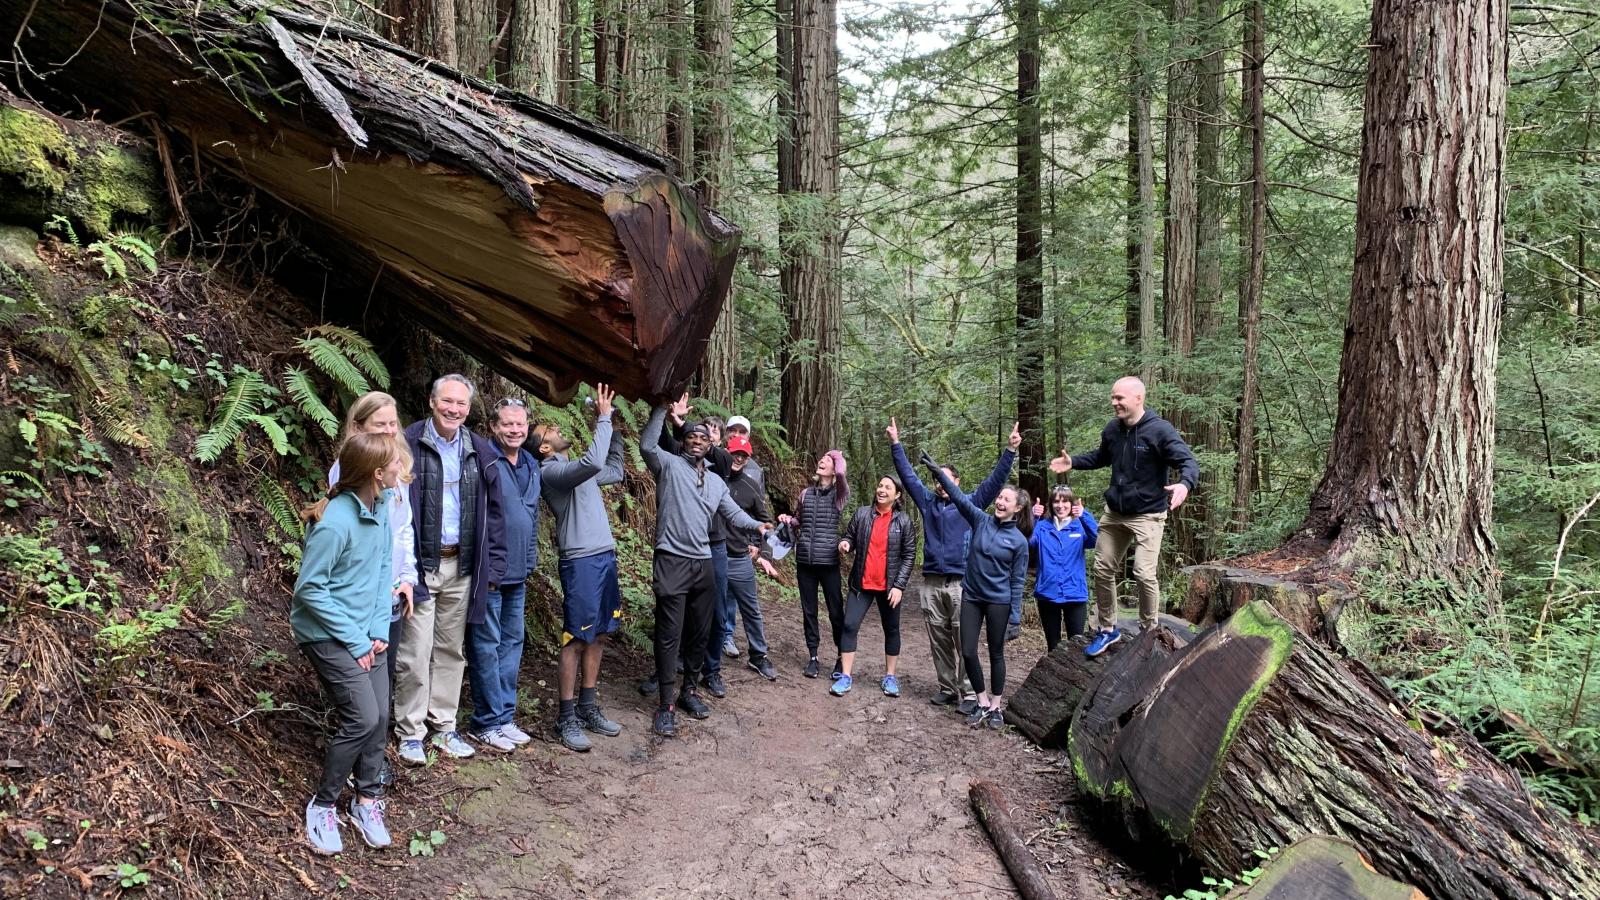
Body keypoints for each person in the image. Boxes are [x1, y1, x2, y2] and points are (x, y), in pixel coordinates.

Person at [294, 433, 405, 854]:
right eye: (395, 464)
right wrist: (357, 641)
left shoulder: (381, 509)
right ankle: (323, 806)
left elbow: (381, 576)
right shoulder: (336, 521)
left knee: (379, 719)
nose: (401, 469)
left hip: (364, 632)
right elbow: (310, 591)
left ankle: (367, 800)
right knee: (361, 718)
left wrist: (377, 632)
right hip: (325, 634)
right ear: (377, 473)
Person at [395, 374, 506, 765]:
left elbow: (494, 515)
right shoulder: (407, 443)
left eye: (461, 404)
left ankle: (443, 726)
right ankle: (410, 732)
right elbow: (396, 510)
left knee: (450, 650)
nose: (453, 409)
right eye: (447, 401)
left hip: (462, 565)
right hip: (421, 564)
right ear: (431, 401)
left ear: (469, 409)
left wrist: (492, 566)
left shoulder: (479, 450)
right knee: (414, 650)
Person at [640, 405, 769, 737]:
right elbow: (646, 446)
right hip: (671, 559)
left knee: (700, 631)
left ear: (711, 446)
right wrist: (659, 408)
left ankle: (689, 692)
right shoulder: (668, 466)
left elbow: (733, 515)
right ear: (683, 442)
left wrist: (760, 527)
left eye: (702, 437)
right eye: (691, 436)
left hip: (704, 563)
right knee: (670, 633)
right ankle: (666, 703)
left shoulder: (715, 482)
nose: (696, 440)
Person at [1050, 376, 1198, 657]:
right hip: (1115, 514)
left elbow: (1188, 462)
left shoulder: (1160, 431)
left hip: (1148, 515)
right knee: (1103, 568)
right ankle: (1107, 629)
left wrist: (1184, 484)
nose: (1114, 402)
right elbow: (1101, 457)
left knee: (1143, 573)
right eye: (1113, 397)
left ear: (1138, 398)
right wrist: (1074, 463)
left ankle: (1149, 631)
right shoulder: (1113, 430)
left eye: (1119, 398)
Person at [889, 418, 1019, 713]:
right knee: (939, 638)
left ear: (957, 482)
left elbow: (994, 483)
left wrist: (1010, 451)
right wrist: (896, 444)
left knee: (965, 640)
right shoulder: (927, 501)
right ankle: (947, 688)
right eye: (936, 479)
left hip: (963, 584)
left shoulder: (971, 505)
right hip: (932, 581)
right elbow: (908, 478)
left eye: (945, 479)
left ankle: (972, 692)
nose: (939, 484)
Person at [532, 385, 628, 753]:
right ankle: (566, 716)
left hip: (603, 556)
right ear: (544, 447)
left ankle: (588, 707)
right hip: (580, 561)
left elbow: (614, 469)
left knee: (600, 633)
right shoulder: (552, 472)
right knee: (576, 638)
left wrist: (615, 427)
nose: (556, 428)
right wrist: (602, 417)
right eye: (549, 431)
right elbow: (592, 463)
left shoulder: (577, 471)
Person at [922, 451, 1032, 730]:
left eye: (1006, 499)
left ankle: (996, 706)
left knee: (996, 653)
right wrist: (938, 472)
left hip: (999, 601)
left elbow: (1017, 582)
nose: (999, 501)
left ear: (1017, 507)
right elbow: (959, 498)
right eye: (999, 498)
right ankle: (981, 701)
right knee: (968, 651)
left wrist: (1015, 617)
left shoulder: (1019, 542)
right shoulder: (980, 521)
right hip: (971, 596)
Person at [324, 393, 417, 691]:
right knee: (359, 682)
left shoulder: (396, 464)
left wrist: (407, 577)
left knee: (383, 676)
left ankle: (376, 734)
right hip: (361, 593)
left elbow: (403, 527)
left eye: (393, 423)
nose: (390, 430)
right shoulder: (349, 468)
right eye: (380, 424)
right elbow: (359, 534)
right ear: (359, 426)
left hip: (390, 592)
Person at [463, 396, 540, 753]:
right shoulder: (484, 461)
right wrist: (484, 565)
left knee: (512, 644)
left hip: (518, 574)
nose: (514, 430)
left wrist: (529, 561)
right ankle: (487, 720)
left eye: (520, 424)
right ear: (493, 427)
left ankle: (505, 716)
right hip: (490, 573)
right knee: (486, 646)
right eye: (507, 424)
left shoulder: (529, 463)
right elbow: (473, 517)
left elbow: (532, 516)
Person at [833, 476, 917, 697]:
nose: (881, 489)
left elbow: (909, 556)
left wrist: (899, 586)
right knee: (849, 626)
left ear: (897, 495)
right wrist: (846, 543)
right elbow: (849, 536)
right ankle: (846, 676)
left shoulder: (904, 521)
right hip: (861, 583)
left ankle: (890, 677)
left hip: (889, 588)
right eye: (880, 485)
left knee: (891, 630)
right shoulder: (862, 514)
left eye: (887, 487)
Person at [777, 450, 850, 680]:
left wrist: (835, 455)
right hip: (805, 561)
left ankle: (841, 656)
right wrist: (789, 520)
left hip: (828, 561)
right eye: (821, 459)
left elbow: (841, 472)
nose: (822, 462)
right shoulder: (805, 494)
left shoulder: (839, 495)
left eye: (827, 461)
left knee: (835, 611)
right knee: (809, 611)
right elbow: (799, 520)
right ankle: (814, 656)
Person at [724, 433, 780, 680]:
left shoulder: (750, 486)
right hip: (709, 555)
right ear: (726, 451)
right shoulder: (712, 477)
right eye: (735, 452)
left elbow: (766, 521)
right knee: (705, 609)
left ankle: (759, 656)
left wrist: (762, 550)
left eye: (743, 455)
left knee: (751, 609)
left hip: (738, 556)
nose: (738, 458)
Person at [1028, 486, 1099, 650]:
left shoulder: (1079, 526)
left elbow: (1097, 540)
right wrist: (1033, 517)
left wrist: (1084, 515)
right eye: (1056, 501)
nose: (1061, 505)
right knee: (1053, 646)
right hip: (1047, 593)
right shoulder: (1042, 526)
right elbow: (1026, 541)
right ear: (1051, 504)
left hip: (1074, 594)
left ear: (1072, 503)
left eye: (1065, 501)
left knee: (1076, 646)